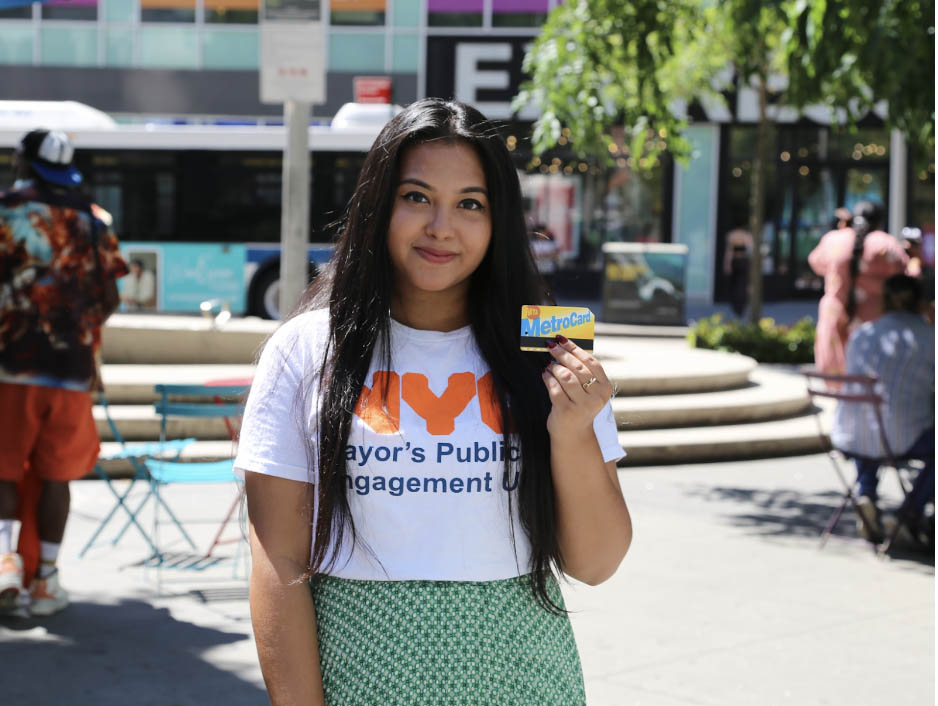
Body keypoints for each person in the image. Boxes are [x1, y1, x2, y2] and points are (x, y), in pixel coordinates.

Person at [236, 99, 632, 704]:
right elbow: (277, 561)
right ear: (378, 205)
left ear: (499, 220)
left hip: (523, 674)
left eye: (470, 204)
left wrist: (574, 432)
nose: (441, 226)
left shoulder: (547, 347)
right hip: (360, 670)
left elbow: (597, 563)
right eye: (417, 197)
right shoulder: (307, 348)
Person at [0, 129, 127, 615]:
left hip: (11, 365)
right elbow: (112, 295)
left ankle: (8, 566)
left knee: (4, 470)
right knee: (57, 475)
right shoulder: (93, 221)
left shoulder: (7, 211)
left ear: (22, 162)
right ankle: (47, 579)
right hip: (72, 371)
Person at [831, 275, 934, 543]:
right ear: (920, 302)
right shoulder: (929, 337)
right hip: (899, 437)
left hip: (850, 435)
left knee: (873, 421)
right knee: (894, 425)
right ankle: (910, 511)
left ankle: (867, 493)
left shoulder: (863, 333)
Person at [808, 201, 907, 374]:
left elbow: (816, 262)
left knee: (837, 378)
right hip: (874, 318)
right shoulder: (886, 244)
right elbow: (904, 273)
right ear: (879, 221)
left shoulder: (833, 240)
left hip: (835, 314)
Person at [723, 226, 753, 318]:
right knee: (742, 284)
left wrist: (727, 264)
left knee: (736, 285)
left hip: (735, 262)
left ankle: (737, 307)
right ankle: (740, 308)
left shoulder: (732, 235)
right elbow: (751, 250)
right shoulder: (747, 236)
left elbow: (729, 252)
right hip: (743, 261)